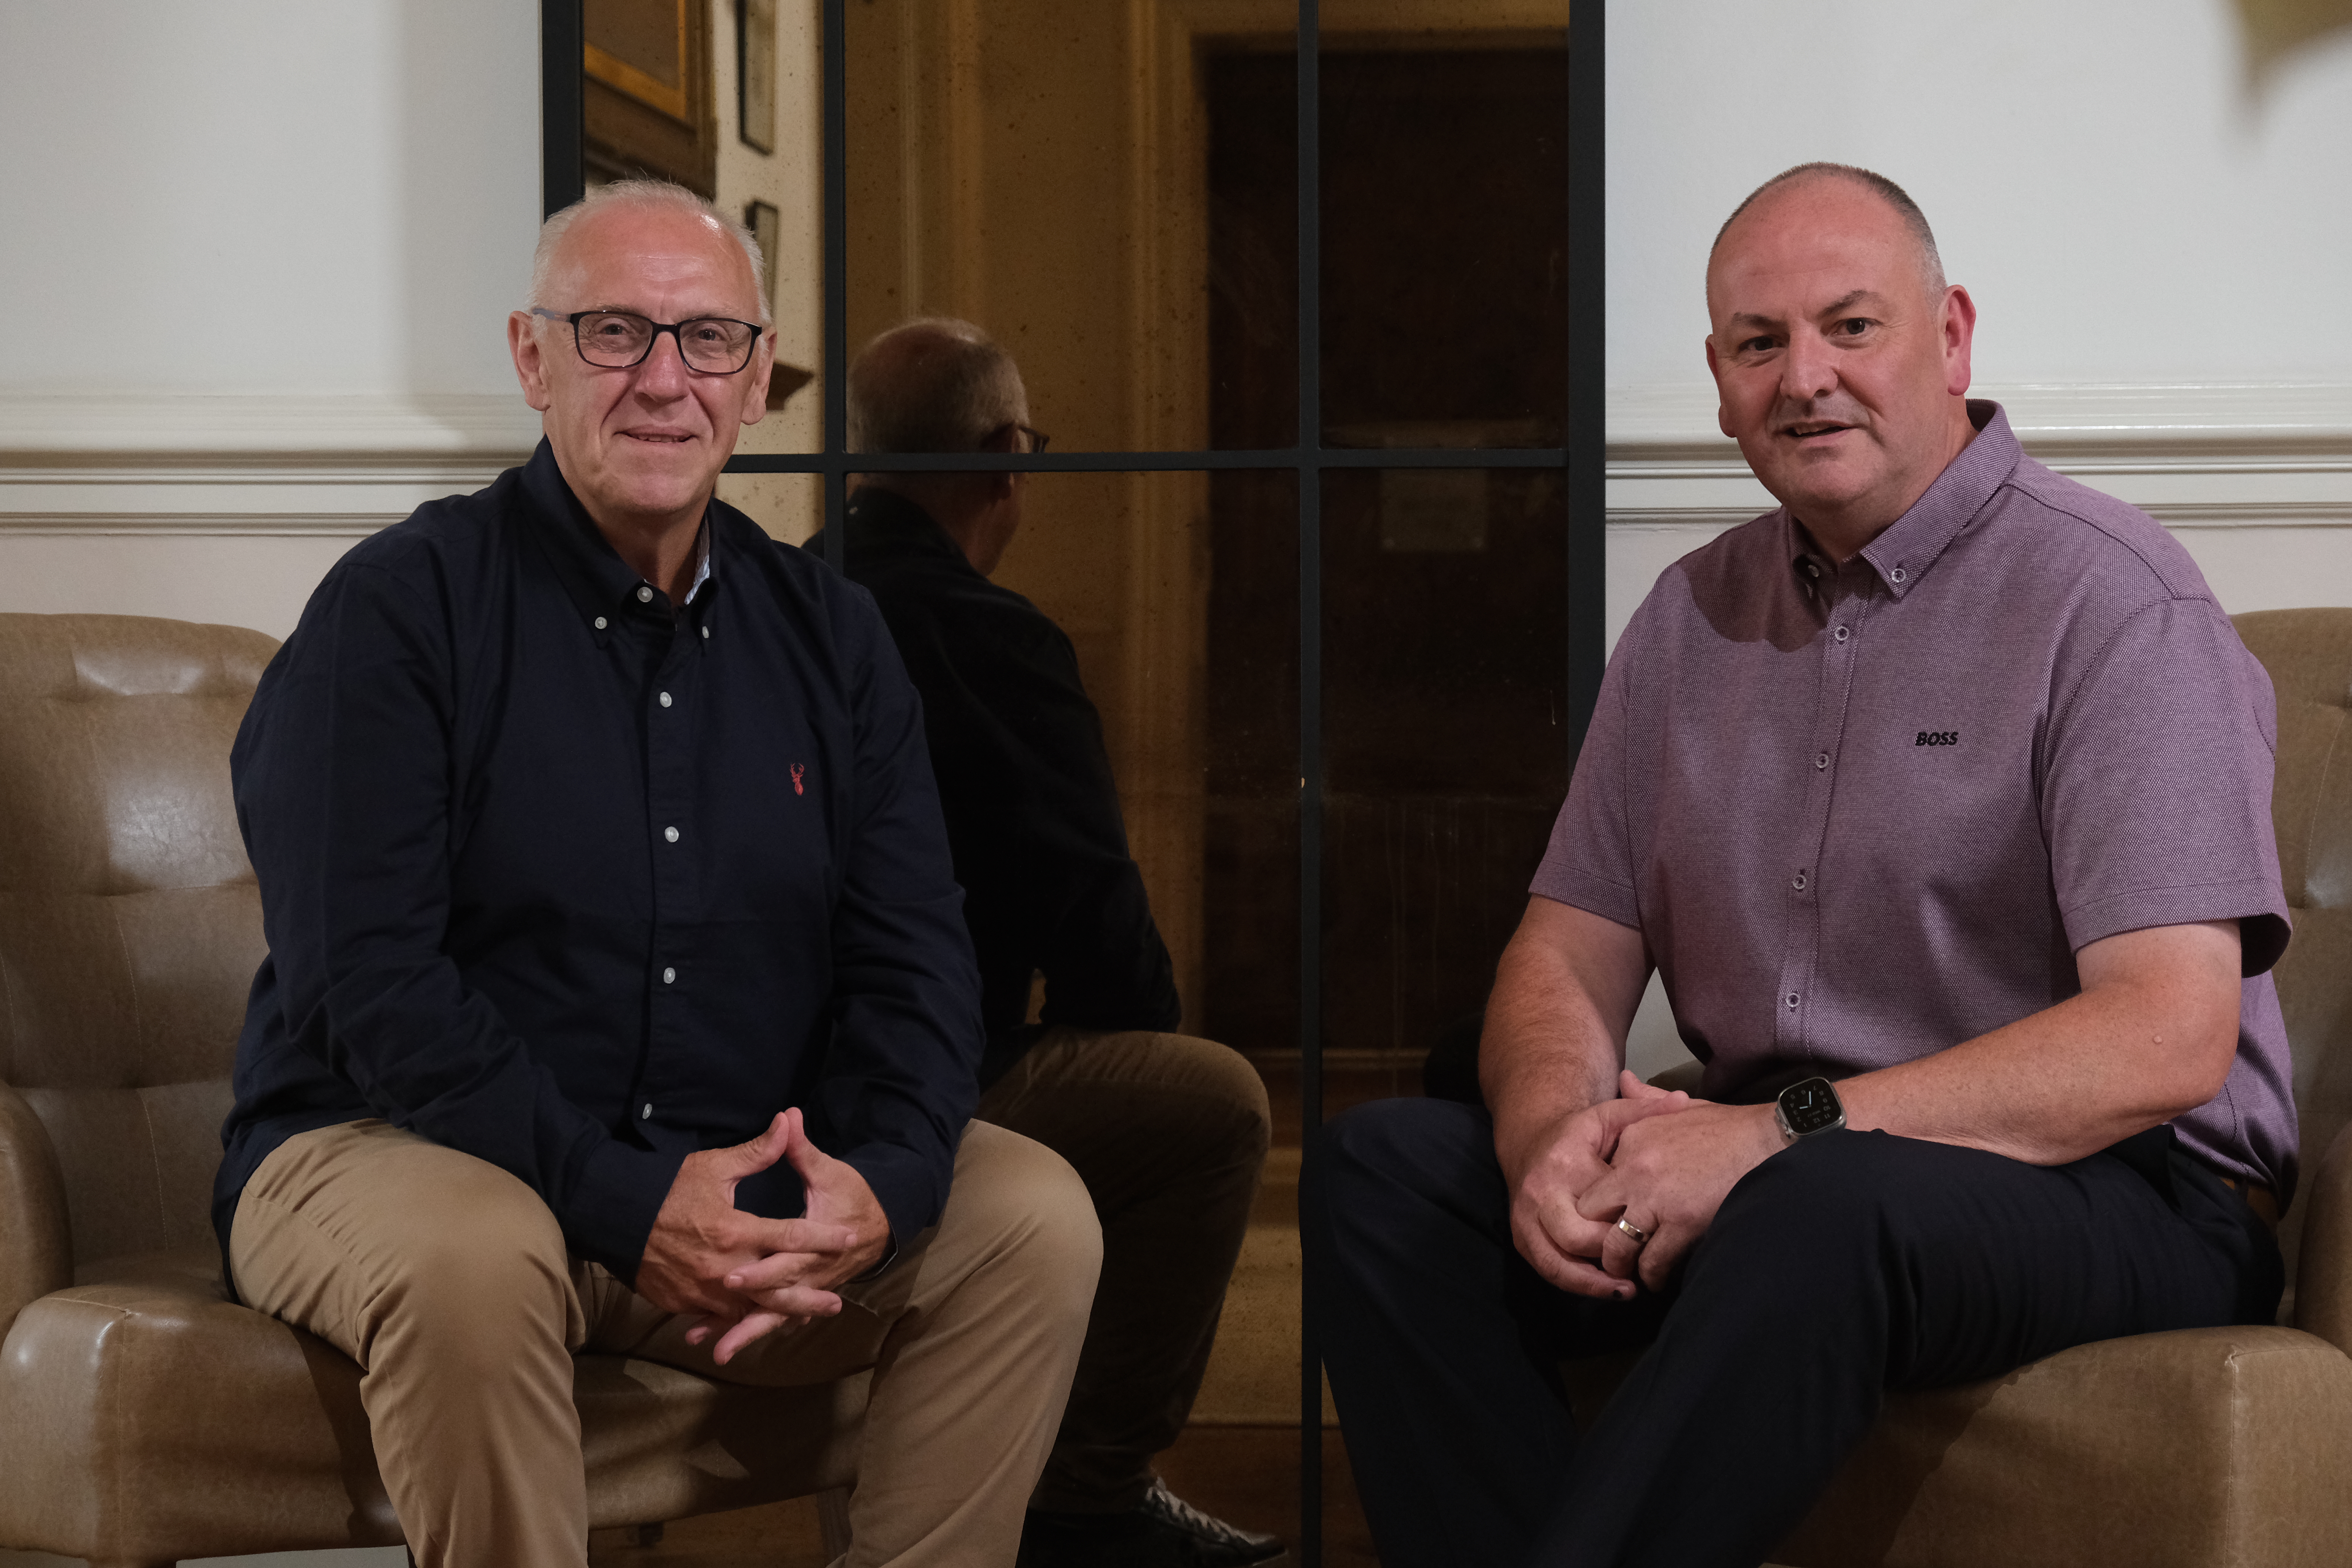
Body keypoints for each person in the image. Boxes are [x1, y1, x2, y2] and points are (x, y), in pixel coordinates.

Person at [1302, 162, 2297, 1567]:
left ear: (1950, 336)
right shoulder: (1688, 615)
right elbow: (1563, 951)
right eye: (1759, 345)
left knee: (1817, 1207)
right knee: (1386, 1170)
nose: (1804, 379)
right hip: (1798, 1169)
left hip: (2123, 1187)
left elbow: (2167, 1037)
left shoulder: (2115, 600)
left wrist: (1774, 1136)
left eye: (1851, 327)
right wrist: (1546, 1149)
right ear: (1718, 379)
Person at [214, 180, 1103, 1568]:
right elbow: (366, 988)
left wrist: (884, 1180)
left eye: (708, 343)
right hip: (393, 1150)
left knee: (1030, 1214)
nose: (662, 382)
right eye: (615, 331)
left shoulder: (837, 636)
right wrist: (628, 1201)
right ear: (533, 357)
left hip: (729, 1159)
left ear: (758, 387)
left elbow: (919, 960)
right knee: (477, 1253)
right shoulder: (397, 612)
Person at [813, 318, 1280, 1568]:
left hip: (750, 1076)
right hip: (920, 1072)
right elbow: (1097, 928)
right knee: (1211, 1108)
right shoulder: (990, 639)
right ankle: (1089, 1488)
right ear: (1010, 458)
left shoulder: (782, 599)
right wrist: (1142, 1020)